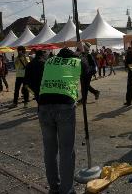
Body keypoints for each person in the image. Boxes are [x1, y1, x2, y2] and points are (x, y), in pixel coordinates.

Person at [38, 46, 87, 194]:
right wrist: (82, 52)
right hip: (65, 105)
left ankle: (54, 188)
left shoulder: (49, 61)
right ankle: (66, 190)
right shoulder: (77, 61)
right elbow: (89, 69)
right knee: (66, 150)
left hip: (44, 104)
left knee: (50, 150)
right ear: (73, 55)